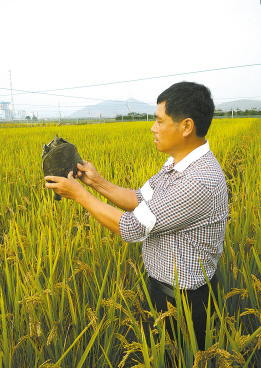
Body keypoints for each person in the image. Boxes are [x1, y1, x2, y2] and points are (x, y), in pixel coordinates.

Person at [45, 81, 229, 351]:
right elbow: (138, 200)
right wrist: (97, 182)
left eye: (159, 121)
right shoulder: (176, 164)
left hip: (185, 304)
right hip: (163, 293)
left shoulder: (199, 180)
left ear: (186, 126)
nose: (153, 128)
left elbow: (131, 228)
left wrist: (80, 195)